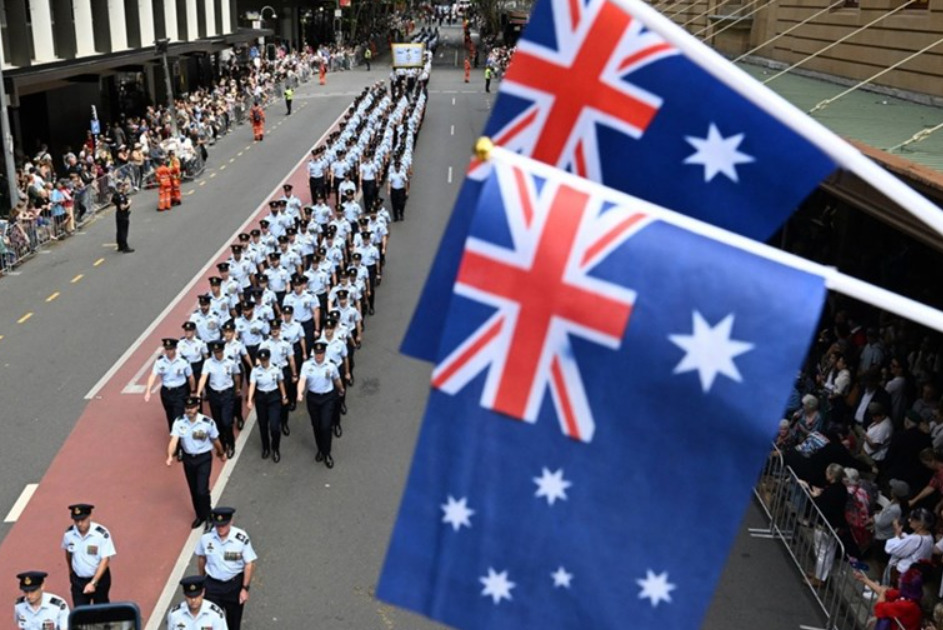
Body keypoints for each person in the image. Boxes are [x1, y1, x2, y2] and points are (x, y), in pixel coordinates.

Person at [167, 396, 226, 529]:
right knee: (193, 489)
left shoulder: (207, 423)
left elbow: (215, 440)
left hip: (203, 458)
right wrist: (170, 455)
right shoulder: (179, 422)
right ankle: (200, 515)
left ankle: (209, 515)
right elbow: (174, 440)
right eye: (187, 408)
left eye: (192, 408)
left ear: (197, 407)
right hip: (188, 459)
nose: (189, 411)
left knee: (202, 490)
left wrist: (221, 453)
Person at [196, 507, 257, 630]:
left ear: (231, 522)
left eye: (224, 525)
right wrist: (202, 580)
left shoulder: (241, 538)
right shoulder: (206, 538)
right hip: (212, 586)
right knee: (211, 623)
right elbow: (201, 558)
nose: (220, 528)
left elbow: (249, 564)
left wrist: (245, 589)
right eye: (218, 525)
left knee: (233, 623)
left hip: (233, 586)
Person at [297, 342, 345, 469]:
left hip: (327, 398)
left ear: (325, 353)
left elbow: (336, 379)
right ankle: (320, 449)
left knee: (325, 426)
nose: (319, 356)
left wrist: (340, 389)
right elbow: (302, 380)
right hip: (313, 398)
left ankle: (327, 453)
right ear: (314, 353)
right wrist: (299, 393)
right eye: (317, 353)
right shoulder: (307, 365)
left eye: (321, 353)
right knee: (316, 426)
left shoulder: (331, 366)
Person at [61, 503, 116, 606]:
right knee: (80, 613)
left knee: (101, 611)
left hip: (99, 580)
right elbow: (68, 553)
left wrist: (93, 583)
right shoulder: (69, 534)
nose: (80, 524)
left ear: (90, 516)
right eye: (77, 520)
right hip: (78, 580)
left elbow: (105, 560)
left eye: (83, 520)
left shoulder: (101, 534)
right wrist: (71, 572)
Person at [198, 340, 242, 459]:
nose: (217, 354)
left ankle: (231, 444)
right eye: (215, 352)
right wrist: (198, 392)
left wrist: (237, 389)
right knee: (218, 422)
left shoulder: (230, 362)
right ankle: (222, 444)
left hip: (227, 393)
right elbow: (203, 377)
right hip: (214, 394)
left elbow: (237, 375)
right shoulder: (208, 363)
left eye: (219, 351)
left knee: (227, 422)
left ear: (223, 350)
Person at [145, 338, 195, 434]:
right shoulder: (160, 361)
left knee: (177, 416)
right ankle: (174, 435)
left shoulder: (183, 361)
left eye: (171, 349)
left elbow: (190, 377)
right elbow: (153, 375)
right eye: (167, 349)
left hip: (180, 391)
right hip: (166, 392)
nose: (168, 351)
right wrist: (148, 390)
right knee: (170, 415)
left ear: (175, 349)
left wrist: (192, 391)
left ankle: (179, 443)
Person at [246, 348, 287, 462]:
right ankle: (266, 448)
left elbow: (280, 382)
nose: (264, 361)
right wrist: (249, 400)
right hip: (261, 398)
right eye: (261, 359)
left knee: (274, 427)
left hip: (274, 397)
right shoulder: (255, 371)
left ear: (269, 358)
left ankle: (275, 448)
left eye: (265, 359)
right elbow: (252, 385)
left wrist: (284, 396)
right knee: (263, 425)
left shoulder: (276, 368)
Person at [853, 568, 923, 630]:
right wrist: (863, 579)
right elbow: (884, 591)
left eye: (901, 579)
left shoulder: (907, 605)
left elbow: (879, 607)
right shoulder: (907, 596)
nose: (899, 579)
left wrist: (882, 593)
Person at [112, 180, 134, 253]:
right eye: (123, 186)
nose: (125, 187)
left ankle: (120, 246)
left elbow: (111, 202)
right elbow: (122, 207)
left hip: (118, 214)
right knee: (124, 231)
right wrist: (129, 203)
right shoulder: (121, 195)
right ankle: (125, 247)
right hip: (123, 214)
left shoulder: (115, 194)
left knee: (119, 230)